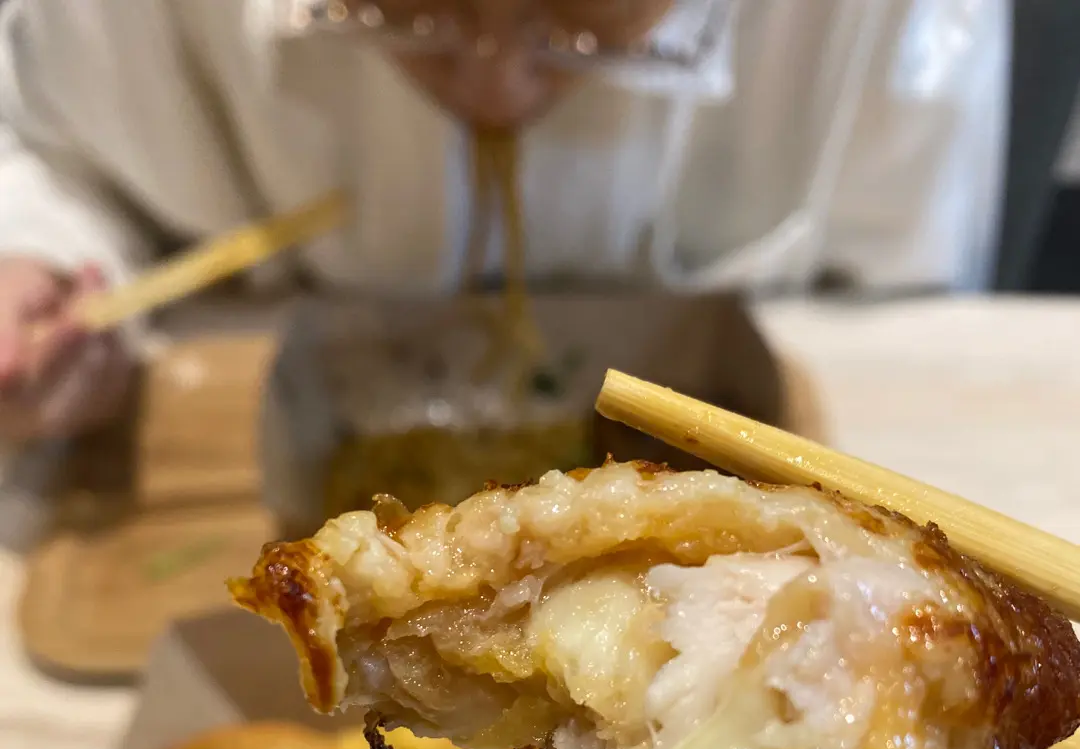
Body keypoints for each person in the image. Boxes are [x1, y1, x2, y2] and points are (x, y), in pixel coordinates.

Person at [0, 0, 1009, 446]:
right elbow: (45, 149)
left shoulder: (889, 18)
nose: (493, 93)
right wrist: (38, 256)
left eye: (583, 23)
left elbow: (908, 318)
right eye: (406, 12)